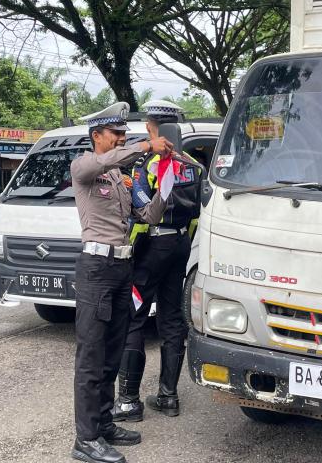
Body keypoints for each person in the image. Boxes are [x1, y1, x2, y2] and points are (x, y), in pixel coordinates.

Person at [69, 102, 174, 463]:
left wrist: (165, 185)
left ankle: (104, 424)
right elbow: (105, 162)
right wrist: (146, 146)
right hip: (96, 269)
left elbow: (147, 215)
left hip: (121, 268)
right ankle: (86, 439)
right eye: (115, 134)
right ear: (96, 135)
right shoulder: (84, 166)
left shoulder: (121, 178)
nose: (120, 139)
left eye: (123, 134)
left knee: (112, 352)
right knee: (91, 356)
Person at [112, 100, 204, 422]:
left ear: (152, 127)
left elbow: (141, 212)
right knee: (171, 319)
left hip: (151, 248)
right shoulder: (193, 165)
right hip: (180, 246)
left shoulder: (146, 165)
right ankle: (168, 396)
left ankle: (128, 402)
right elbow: (196, 213)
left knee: (134, 317)